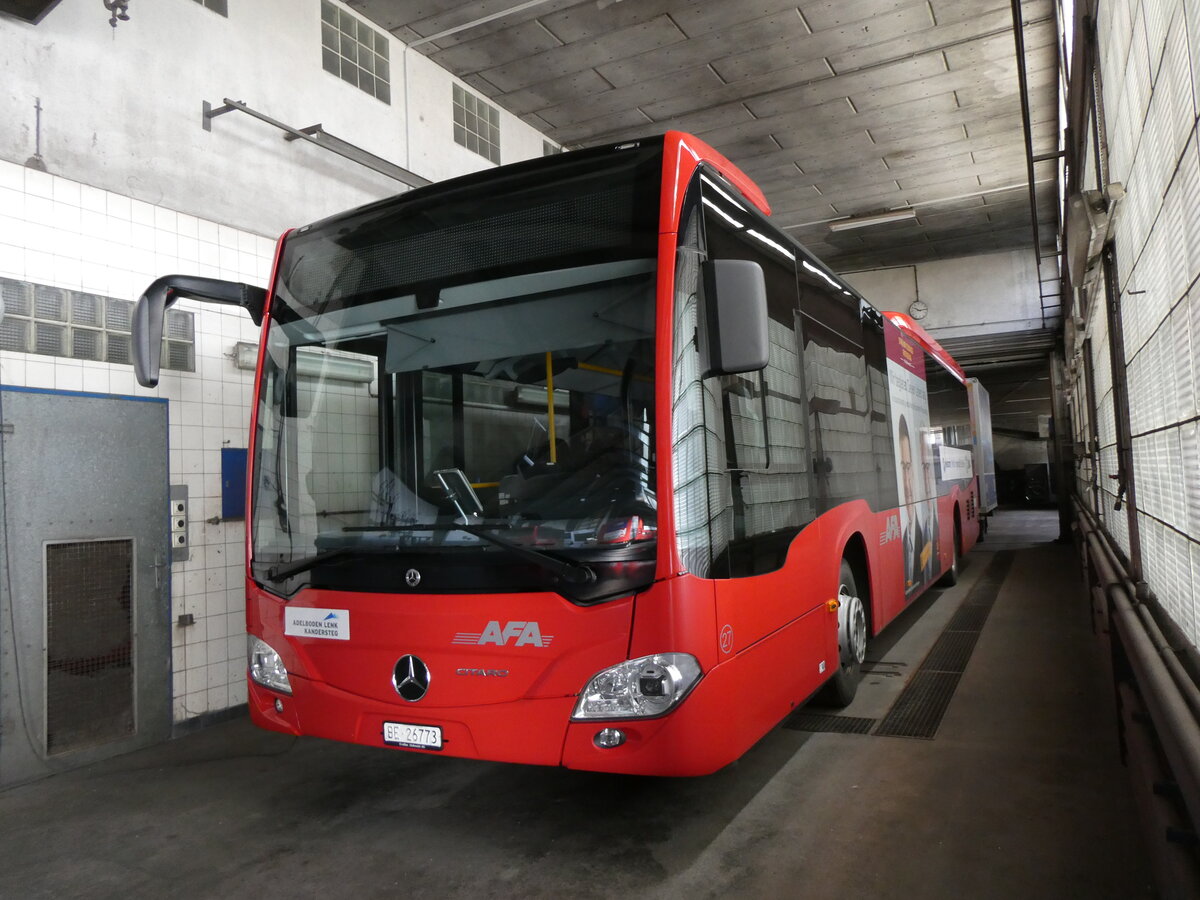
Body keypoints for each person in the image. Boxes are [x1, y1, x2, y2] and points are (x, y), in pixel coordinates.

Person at [898, 415, 934, 592]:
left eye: (909, 468)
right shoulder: (903, 540)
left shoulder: (926, 532)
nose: (906, 483)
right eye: (902, 468)